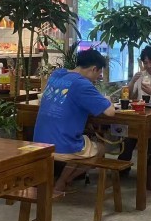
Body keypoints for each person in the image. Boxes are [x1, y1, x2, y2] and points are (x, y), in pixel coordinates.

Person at [34, 49, 115, 194]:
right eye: (98, 74)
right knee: (101, 148)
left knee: (83, 141)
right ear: (93, 69)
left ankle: (62, 181)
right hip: (61, 147)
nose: (97, 79)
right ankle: (62, 183)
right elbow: (110, 112)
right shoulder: (83, 84)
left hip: (39, 142)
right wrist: (107, 99)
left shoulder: (57, 74)